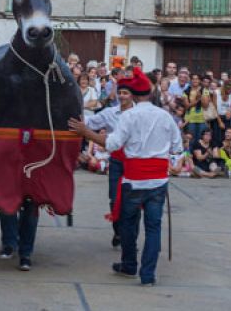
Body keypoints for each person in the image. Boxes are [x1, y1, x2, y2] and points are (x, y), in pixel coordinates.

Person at [71, 68, 182, 286]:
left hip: (134, 180)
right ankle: (148, 274)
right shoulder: (165, 116)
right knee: (153, 227)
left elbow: (112, 144)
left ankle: (130, 265)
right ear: (149, 94)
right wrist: (173, 161)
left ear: (133, 93)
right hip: (158, 181)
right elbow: (177, 148)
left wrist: (86, 133)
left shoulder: (129, 116)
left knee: (129, 225)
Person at [82, 80, 135, 249]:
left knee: (133, 201)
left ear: (132, 95)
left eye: (126, 93)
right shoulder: (110, 112)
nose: (122, 96)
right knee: (114, 198)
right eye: (120, 93)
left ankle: (130, 239)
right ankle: (118, 231)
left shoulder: (140, 113)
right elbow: (90, 122)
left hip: (135, 162)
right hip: (117, 160)